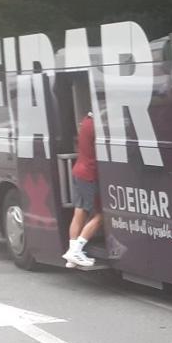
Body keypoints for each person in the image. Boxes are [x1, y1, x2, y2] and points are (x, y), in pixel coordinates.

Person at [63, 112, 102, 269]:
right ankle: (76, 250)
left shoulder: (86, 122)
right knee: (100, 215)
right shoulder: (96, 126)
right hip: (89, 175)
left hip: (78, 171)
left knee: (79, 212)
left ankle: (71, 254)